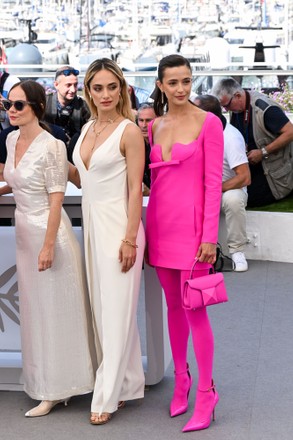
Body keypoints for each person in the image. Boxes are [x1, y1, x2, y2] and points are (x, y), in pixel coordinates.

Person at [0, 80, 95, 417]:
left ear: (37, 108)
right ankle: (44, 382)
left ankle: (58, 389)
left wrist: (48, 246)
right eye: (8, 103)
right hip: (25, 232)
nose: (11, 110)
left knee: (55, 312)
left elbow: (57, 199)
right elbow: (15, 181)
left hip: (49, 234)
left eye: (19, 105)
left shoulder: (52, 146)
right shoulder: (12, 140)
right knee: (35, 313)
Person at [145, 54, 224, 432]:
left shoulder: (209, 123)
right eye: (173, 82)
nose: (181, 88)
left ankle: (207, 392)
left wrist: (210, 236)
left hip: (194, 233)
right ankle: (182, 379)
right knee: (172, 308)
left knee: (196, 311)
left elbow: (213, 184)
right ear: (160, 85)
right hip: (160, 226)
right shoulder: (154, 126)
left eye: (187, 81)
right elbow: (155, 184)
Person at [69, 58, 145, 425]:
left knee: (114, 313)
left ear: (122, 89)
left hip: (119, 228)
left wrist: (130, 238)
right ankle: (128, 383)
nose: (104, 95)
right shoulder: (86, 129)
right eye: (97, 88)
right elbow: (84, 179)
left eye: (111, 87)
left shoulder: (129, 131)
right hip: (93, 227)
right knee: (104, 312)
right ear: (88, 90)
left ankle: (107, 395)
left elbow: (135, 190)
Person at [211, 77, 293, 208]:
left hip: (273, 178)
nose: (226, 110)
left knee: (241, 198)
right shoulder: (237, 108)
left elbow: (290, 132)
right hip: (253, 169)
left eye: (226, 105)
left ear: (237, 95)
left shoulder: (265, 108)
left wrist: (263, 152)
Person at [193, 94, 251, 272]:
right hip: (200, 189)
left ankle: (237, 252)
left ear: (208, 115)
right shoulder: (191, 131)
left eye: (195, 110)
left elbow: (244, 177)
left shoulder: (231, 138)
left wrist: (212, 189)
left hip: (226, 190)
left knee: (233, 199)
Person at [44, 65, 90, 161]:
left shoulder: (84, 107)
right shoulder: (44, 104)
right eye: (68, 85)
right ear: (56, 85)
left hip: (74, 157)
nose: (73, 90)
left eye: (75, 85)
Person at [136, 103, 156, 195]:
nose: (144, 125)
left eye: (148, 120)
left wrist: (149, 192)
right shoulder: (134, 144)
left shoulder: (164, 145)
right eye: (141, 120)